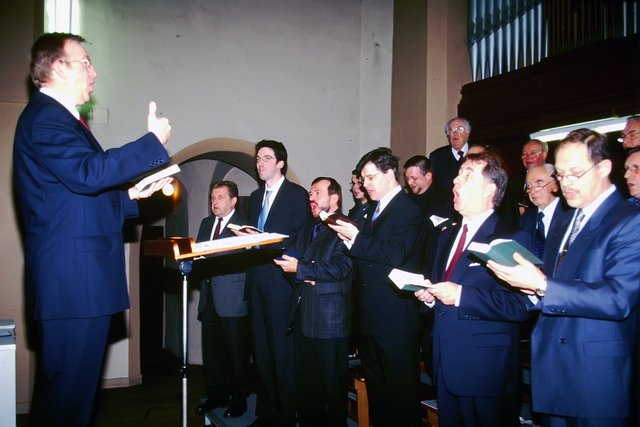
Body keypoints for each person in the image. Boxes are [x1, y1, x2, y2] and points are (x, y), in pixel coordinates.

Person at [13, 33, 172, 427]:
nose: (94, 71)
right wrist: (151, 143)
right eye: (85, 62)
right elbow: (87, 175)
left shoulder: (60, 120)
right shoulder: (47, 117)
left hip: (78, 283)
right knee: (66, 404)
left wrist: (131, 193)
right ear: (57, 68)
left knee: (69, 400)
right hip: (73, 284)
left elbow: (76, 195)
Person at [487, 129, 640, 426]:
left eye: (575, 174)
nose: (566, 183)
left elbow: (618, 298)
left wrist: (542, 285)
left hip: (596, 375)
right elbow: (553, 283)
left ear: (604, 168)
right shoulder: (564, 220)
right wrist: (527, 287)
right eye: (561, 174)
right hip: (553, 369)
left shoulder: (629, 220)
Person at [414, 152, 531, 427]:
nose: (456, 181)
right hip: (445, 363)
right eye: (457, 175)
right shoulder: (447, 236)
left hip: (486, 369)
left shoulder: (511, 238)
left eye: (466, 176)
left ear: (490, 190)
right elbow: (444, 289)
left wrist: (461, 295)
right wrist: (430, 297)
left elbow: (520, 305)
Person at [328, 147, 425, 426]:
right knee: (378, 395)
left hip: (395, 317)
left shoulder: (408, 209)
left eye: (371, 178)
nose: (365, 185)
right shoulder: (371, 209)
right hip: (370, 317)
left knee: (400, 395)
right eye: (363, 179)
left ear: (390, 173)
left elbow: (395, 253)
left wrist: (356, 239)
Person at [274, 177, 353, 427]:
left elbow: (342, 266)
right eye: (310, 193)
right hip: (303, 317)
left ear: (334, 197)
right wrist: (298, 272)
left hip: (331, 322)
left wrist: (303, 270)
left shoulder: (346, 226)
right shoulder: (307, 228)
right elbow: (288, 261)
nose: (311, 197)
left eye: (317, 192)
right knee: (307, 391)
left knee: (333, 391)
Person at [243, 140, 310, 427]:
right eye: (258, 158)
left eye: (266, 158)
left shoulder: (296, 195)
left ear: (280, 163)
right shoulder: (255, 196)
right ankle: (267, 411)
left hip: (281, 283)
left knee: (282, 353)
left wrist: (266, 242)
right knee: (261, 351)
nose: (260, 163)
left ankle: (286, 414)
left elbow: (300, 240)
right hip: (256, 281)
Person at [194, 181, 251, 418]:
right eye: (212, 197)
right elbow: (200, 255)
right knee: (213, 352)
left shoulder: (244, 226)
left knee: (237, 354)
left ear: (233, 201)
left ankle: (239, 399)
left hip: (233, 297)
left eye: (220, 197)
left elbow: (251, 261)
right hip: (209, 297)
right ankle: (216, 396)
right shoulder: (206, 223)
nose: (214, 202)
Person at [519, 164, 566, 259]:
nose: (532, 191)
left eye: (538, 184)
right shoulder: (526, 219)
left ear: (555, 185)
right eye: (529, 186)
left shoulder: (569, 214)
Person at [430, 117, 473, 191]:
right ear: (448, 135)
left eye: (460, 129)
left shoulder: (478, 153)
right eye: (451, 130)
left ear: (467, 134)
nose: (455, 133)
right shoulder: (437, 156)